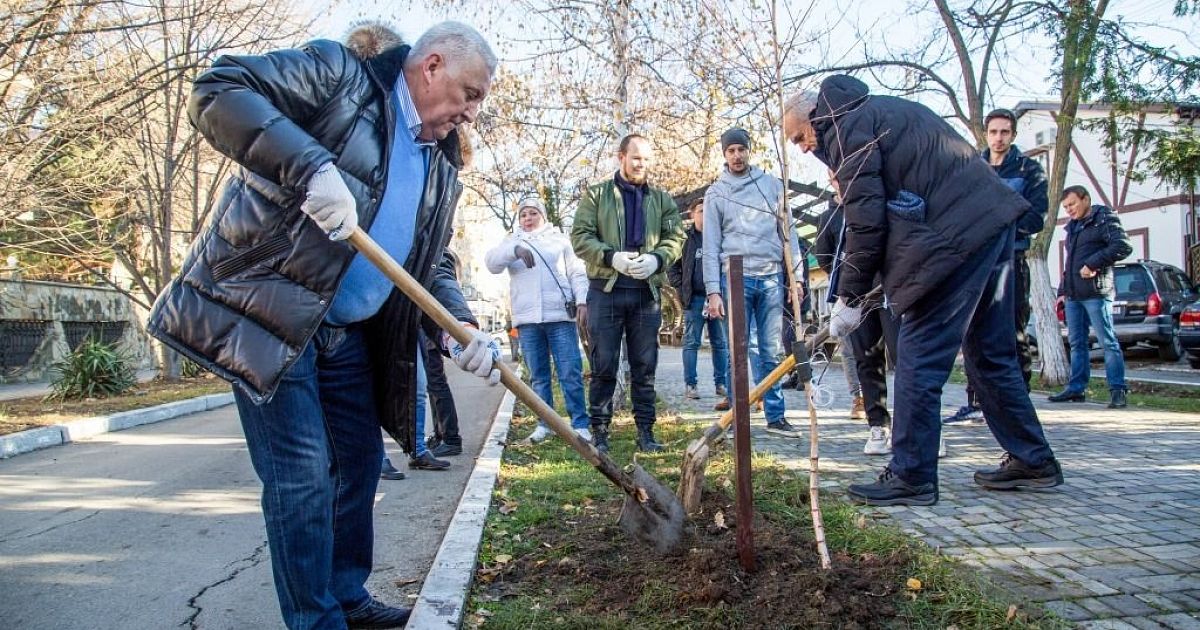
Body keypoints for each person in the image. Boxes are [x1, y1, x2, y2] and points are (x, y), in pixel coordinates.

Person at [146, 22, 501, 629]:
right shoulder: (340, 80)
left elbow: (429, 263)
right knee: (303, 477)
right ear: (433, 65)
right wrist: (310, 165)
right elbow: (217, 88)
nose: (470, 113)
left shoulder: (440, 167)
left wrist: (460, 326)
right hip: (272, 314)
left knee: (359, 467)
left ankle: (346, 596)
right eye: (469, 94)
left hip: (349, 335)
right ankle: (316, 620)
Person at [783, 75, 1063, 506]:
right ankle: (1034, 459)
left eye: (799, 136)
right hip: (990, 225)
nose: (802, 147)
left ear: (813, 117)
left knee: (917, 354)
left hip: (958, 238)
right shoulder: (875, 111)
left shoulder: (846, 128)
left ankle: (911, 474)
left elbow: (867, 222)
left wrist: (851, 296)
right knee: (990, 354)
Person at [570, 134, 685, 454]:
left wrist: (657, 259)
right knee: (604, 364)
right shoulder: (596, 196)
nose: (641, 164)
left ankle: (646, 433)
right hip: (605, 291)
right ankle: (600, 432)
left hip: (645, 294)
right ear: (621, 157)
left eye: (647, 159)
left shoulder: (662, 200)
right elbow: (580, 236)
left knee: (644, 366)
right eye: (636, 157)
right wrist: (611, 257)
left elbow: (676, 236)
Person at [945, 108, 1048, 425]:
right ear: (985, 134)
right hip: (977, 264)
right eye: (993, 132)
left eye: (1005, 132)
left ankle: (1018, 407)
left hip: (1011, 262)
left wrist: (998, 226)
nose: (999, 138)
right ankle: (976, 402)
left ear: (1013, 135)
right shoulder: (973, 168)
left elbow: (1034, 217)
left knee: (1013, 335)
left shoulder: (1029, 170)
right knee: (972, 334)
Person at [702, 128, 804, 437]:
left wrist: (796, 277)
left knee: (769, 351)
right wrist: (713, 291)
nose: (736, 155)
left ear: (749, 151)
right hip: (735, 278)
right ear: (724, 155)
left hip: (771, 275)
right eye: (730, 150)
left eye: (741, 149)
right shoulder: (716, 193)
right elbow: (711, 244)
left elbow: (789, 235)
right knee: (739, 350)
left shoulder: (772, 186)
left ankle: (776, 416)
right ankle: (737, 417)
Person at [486, 196, 591, 442]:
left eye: (533, 213)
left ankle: (580, 424)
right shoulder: (511, 241)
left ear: (542, 216)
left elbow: (576, 272)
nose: (528, 218)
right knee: (538, 375)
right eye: (523, 214)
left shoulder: (559, 240)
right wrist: (514, 250)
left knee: (570, 371)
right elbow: (491, 264)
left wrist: (583, 301)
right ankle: (545, 424)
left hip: (559, 317)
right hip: (527, 320)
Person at [812, 184, 899, 456]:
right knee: (865, 359)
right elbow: (826, 256)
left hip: (889, 292)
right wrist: (848, 284)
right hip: (856, 297)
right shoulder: (832, 217)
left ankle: (922, 426)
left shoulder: (882, 198)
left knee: (905, 357)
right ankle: (878, 425)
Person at [1050, 185, 1133, 408]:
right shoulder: (1072, 228)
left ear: (1086, 199)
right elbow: (1070, 263)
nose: (1069, 210)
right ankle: (1076, 389)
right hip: (1073, 295)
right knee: (1077, 343)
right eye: (1066, 207)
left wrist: (1093, 263)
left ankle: (1117, 390)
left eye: (1073, 204)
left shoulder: (1103, 217)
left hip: (1096, 292)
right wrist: (1062, 291)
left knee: (1108, 342)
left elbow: (1123, 246)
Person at [667, 199, 729, 401]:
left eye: (708, 210)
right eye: (701, 211)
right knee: (691, 343)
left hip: (718, 299)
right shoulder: (685, 239)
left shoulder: (719, 236)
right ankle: (691, 385)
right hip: (694, 300)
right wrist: (681, 287)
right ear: (692, 214)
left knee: (720, 343)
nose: (705, 214)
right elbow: (672, 266)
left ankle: (722, 384)